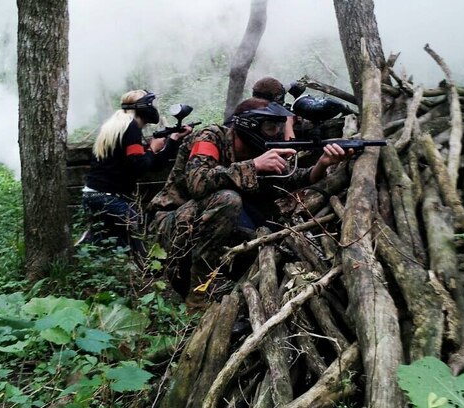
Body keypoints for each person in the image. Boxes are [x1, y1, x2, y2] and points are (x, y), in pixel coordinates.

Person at [149, 97, 348, 310]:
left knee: (267, 228)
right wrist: (254, 165)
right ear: (249, 125)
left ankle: (236, 281)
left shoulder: (259, 148)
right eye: (271, 127)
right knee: (228, 199)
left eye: (279, 126)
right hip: (170, 221)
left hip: (211, 220)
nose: (278, 132)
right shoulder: (210, 137)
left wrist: (322, 164)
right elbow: (198, 182)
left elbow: (289, 179)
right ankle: (197, 298)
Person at [81, 89, 191, 252]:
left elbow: (154, 165)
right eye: (151, 103)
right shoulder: (130, 127)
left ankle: (85, 250)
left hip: (95, 195)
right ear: (143, 107)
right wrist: (152, 149)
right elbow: (139, 166)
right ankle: (146, 270)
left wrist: (172, 140)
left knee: (112, 243)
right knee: (133, 225)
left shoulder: (119, 125)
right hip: (106, 197)